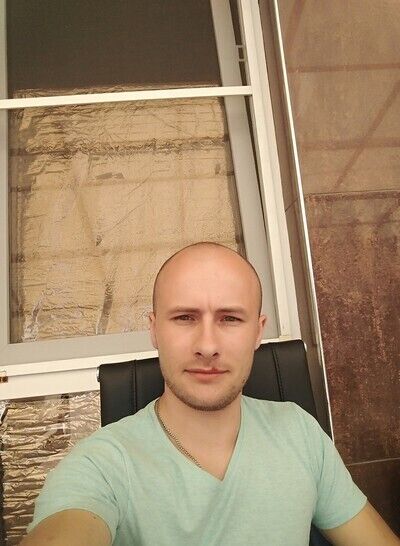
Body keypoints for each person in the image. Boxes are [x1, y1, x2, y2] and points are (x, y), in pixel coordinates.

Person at [21, 242, 399, 546]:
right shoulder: (101, 465)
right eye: (184, 318)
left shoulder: (300, 433)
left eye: (230, 318)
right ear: (154, 330)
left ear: (257, 332)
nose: (207, 346)